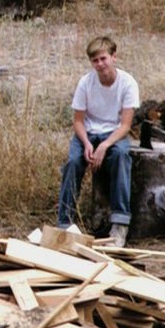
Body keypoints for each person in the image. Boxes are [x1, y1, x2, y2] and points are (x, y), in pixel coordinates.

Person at [56, 36, 140, 248]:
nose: (100, 64)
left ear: (113, 57)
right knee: (73, 162)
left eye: (103, 59)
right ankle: (65, 223)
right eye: (95, 61)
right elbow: (78, 121)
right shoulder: (86, 83)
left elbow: (125, 125)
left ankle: (120, 224)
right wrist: (87, 143)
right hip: (88, 132)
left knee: (121, 156)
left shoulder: (128, 83)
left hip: (113, 132)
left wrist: (104, 145)